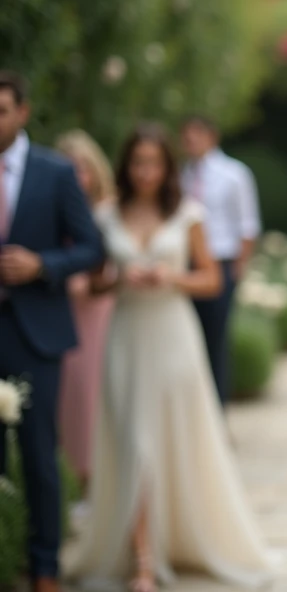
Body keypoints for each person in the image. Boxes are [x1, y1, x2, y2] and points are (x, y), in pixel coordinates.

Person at [65, 124, 270, 592]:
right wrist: (120, 277)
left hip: (173, 337)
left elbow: (211, 280)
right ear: (125, 165)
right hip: (127, 336)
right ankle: (141, 559)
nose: (145, 172)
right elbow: (95, 282)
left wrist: (170, 278)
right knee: (133, 441)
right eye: (138, 162)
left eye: (154, 163)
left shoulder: (188, 214)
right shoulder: (106, 214)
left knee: (170, 440)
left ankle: (171, 544)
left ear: (166, 167)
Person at [0, 72, 105, 592]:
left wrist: (42, 265)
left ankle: (45, 567)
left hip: (35, 330)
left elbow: (92, 248)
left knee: (41, 456)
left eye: (0, 110)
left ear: (22, 112)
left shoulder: (56, 172)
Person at [179, 114, 261, 404]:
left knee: (215, 341)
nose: (190, 142)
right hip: (185, 267)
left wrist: (238, 268)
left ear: (211, 136)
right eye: (186, 136)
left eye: (196, 135)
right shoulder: (180, 175)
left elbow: (248, 224)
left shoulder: (234, 174)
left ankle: (218, 410)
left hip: (221, 263)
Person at [55, 129, 118, 497]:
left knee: (97, 396)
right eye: (69, 168)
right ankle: (75, 480)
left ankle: (98, 483)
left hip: (100, 315)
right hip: (63, 314)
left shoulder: (107, 211)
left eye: (83, 167)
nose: (78, 176)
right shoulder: (52, 209)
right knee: (70, 401)